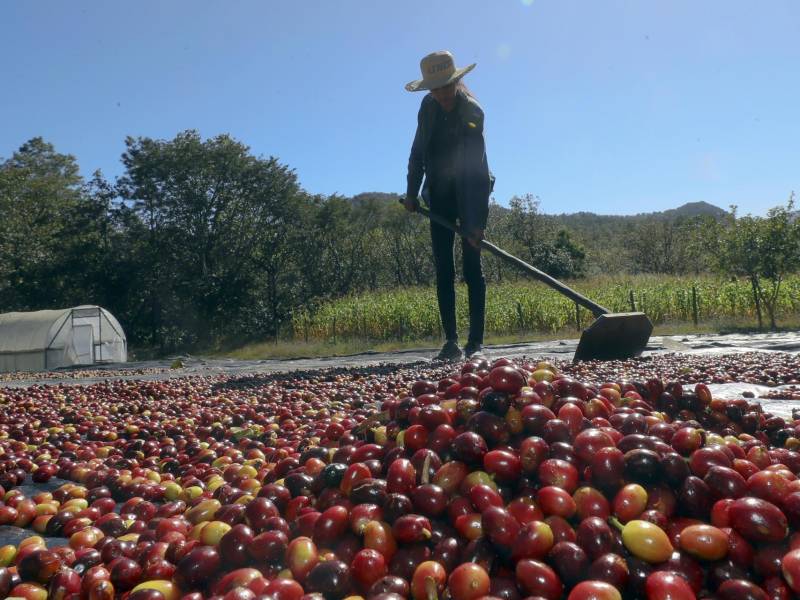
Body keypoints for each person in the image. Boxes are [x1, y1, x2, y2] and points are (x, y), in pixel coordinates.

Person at [403, 50, 494, 361]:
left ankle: (476, 344)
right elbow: (417, 152)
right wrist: (412, 192)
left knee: (472, 267)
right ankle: (451, 342)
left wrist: (474, 223)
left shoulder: (473, 113)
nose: (440, 94)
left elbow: (475, 172)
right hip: (439, 194)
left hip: (471, 192)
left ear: (457, 82)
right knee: (444, 268)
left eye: (445, 86)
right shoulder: (427, 108)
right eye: (435, 88)